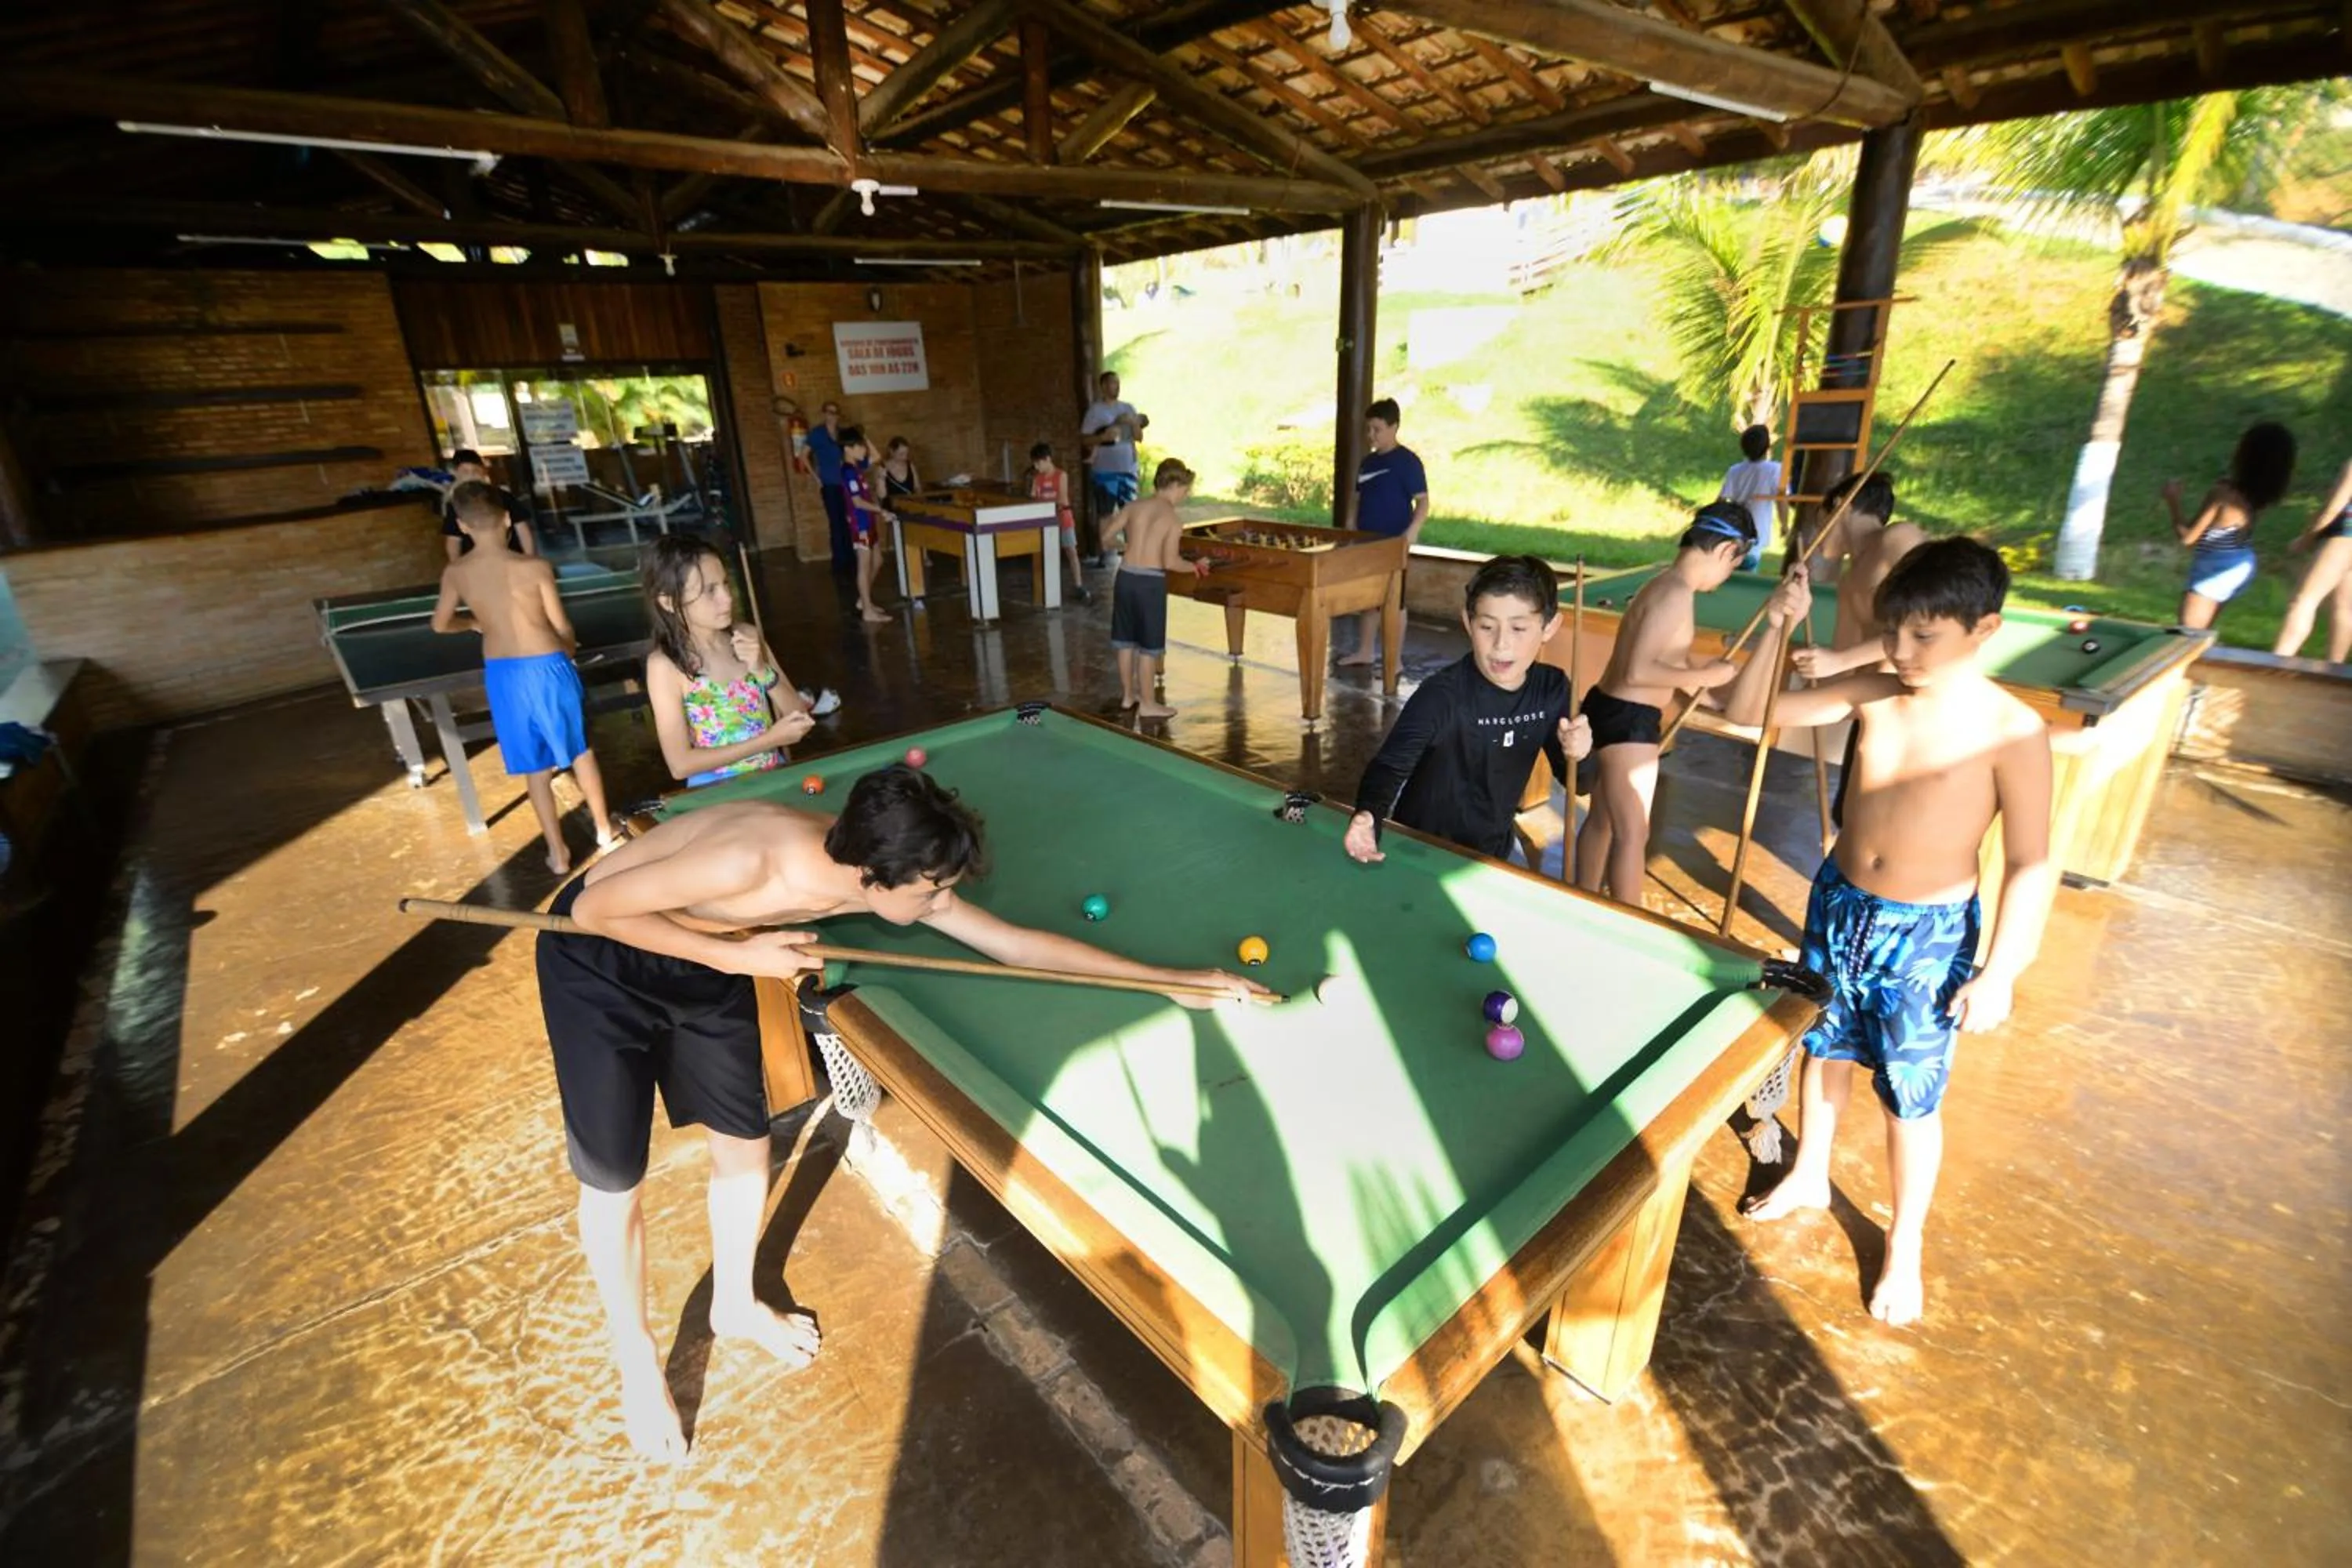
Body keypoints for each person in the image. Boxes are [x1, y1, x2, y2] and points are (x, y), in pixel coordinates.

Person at [541, 763, 1269, 1461]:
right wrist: (738, 958)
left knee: (742, 1144)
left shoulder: (887, 864)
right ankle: (635, 1359)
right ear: (871, 877)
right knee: (616, 1181)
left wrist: (1168, 981)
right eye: (929, 893)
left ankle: (733, 1301)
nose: (938, 903)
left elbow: (1013, 945)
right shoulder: (751, 860)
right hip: (601, 964)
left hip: (711, 958)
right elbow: (591, 909)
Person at [1722, 537, 2054, 1327]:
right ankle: (1810, 1171)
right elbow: (1746, 711)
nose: (1901, 651)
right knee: (1824, 1047)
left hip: (1927, 935)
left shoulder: (2012, 731)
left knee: (1911, 1095)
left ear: (1985, 628)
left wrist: (2001, 970)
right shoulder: (1876, 689)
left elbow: (2032, 861)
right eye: (1893, 631)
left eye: (1924, 636)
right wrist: (1777, 626)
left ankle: (1905, 1243)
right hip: (1839, 903)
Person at [1343, 555, 1592, 866]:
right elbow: (1390, 767)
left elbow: (1580, 782)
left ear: (1549, 627)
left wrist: (1581, 753)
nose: (1501, 644)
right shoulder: (1441, 695)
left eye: (1518, 628)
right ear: (1468, 622)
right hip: (1422, 847)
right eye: (1487, 627)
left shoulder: (1551, 689)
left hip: (1496, 846)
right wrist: (1369, 813)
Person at [1573, 503, 1755, 904]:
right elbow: (1638, 671)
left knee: (1604, 820)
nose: (1728, 576)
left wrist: (1708, 695)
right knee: (1633, 834)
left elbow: (1671, 662)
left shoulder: (1666, 585)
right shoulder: (1674, 594)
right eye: (1734, 565)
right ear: (1726, 550)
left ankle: (1582, 898)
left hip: (1611, 708)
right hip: (1629, 720)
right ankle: (1631, 920)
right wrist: (1707, 676)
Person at [430, 481, 614, 873]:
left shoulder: (457, 573)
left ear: (462, 526)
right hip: (548, 666)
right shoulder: (534, 567)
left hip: (504, 676)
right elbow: (561, 626)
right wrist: (568, 647)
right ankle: (603, 831)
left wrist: (473, 623)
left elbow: (440, 624)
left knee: (535, 767)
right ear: (507, 519)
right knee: (580, 752)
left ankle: (558, 854)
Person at [1782, 470, 1928, 829]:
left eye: (1821, 518)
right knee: (1849, 817)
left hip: (1915, 707)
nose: (1818, 531)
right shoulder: (1849, 581)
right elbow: (1840, 670)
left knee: (1891, 824)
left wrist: (1838, 661)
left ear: (1840, 505)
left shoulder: (1898, 537)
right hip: (1873, 712)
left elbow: (1925, 623)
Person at [641, 535, 817, 786]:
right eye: (710, 590)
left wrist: (762, 670)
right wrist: (769, 741)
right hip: (716, 791)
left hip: (773, 777)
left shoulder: (747, 636)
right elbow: (680, 765)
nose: (728, 598)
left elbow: (799, 717)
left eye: (725, 583)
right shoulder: (666, 665)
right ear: (669, 602)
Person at [1100, 458, 1208, 719]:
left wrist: (1125, 547)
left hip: (1126, 576)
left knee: (1125, 642)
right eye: (1185, 489)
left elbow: (1105, 538)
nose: (1185, 495)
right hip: (1149, 584)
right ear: (1174, 485)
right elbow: (1170, 562)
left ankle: (1128, 696)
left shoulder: (1133, 506)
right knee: (1148, 648)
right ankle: (1148, 704)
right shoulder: (1172, 519)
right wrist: (1195, 566)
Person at [2164, 421, 2297, 631]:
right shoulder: (2258, 497)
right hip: (2240, 561)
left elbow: (2188, 538)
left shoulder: (2224, 495)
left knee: (2188, 635)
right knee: (2201, 632)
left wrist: (2173, 500)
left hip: (2215, 566)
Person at [1340, 397, 1430, 670]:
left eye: (1377, 429)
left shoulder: (1408, 462)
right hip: (1366, 541)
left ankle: (1394, 659)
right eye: (1369, 429)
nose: (1371, 435)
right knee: (1369, 599)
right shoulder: (1367, 462)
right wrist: (1350, 525)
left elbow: (1423, 502)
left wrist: (1412, 532)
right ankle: (1365, 651)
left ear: (1394, 427)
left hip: (1394, 543)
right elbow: (1357, 498)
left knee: (1394, 601)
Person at [2273, 455, 2352, 664]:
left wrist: (2306, 540)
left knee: (2303, 601)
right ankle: (2335, 671)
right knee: (2344, 609)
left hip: (2346, 537)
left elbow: (2332, 510)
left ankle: (2277, 663)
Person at [1080, 371, 1148, 561]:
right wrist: (1102, 437)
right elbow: (1084, 440)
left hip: (1128, 470)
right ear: (1103, 386)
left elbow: (1139, 437)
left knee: (1130, 512)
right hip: (1104, 472)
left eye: (1118, 383)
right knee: (1106, 513)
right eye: (1112, 383)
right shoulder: (1095, 411)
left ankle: (1134, 553)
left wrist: (1133, 423)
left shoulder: (1128, 408)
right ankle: (1107, 548)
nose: (1116, 387)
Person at [440, 448, 536, 562]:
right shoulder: (455, 503)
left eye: (476, 470)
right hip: (474, 563)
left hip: (511, 558)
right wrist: (456, 565)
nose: (471, 475)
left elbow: (522, 529)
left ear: (483, 471)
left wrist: (529, 558)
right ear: (456, 473)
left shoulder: (503, 497)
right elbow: (453, 540)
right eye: (465, 471)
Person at [838, 426, 893, 625]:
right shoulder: (848, 471)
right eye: (860, 446)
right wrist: (880, 510)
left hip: (868, 521)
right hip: (860, 524)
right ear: (848, 449)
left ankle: (864, 599)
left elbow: (876, 456)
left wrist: (863, 435)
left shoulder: (856, 468)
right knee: (864, 565)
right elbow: (857, 502)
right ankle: (867, 611)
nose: (864, 449)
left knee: (877, 560)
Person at [1717, 423, 1785, 572]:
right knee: (1748, 568)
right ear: (1767, 447)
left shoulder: (1735, 471)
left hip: (1733, 530)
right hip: (1756, 532)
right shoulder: (1775, 470)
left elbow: (1721, 501)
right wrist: (1784, 525)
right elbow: (1782, 500)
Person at [1030, 440, 1090, 605]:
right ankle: (1047, 586)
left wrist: (1046, 504)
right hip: (1046, 521)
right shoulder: (1037, 478)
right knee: (1047, 553)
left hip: (1063, 518)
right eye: (1035, 464)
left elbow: (1062, 498)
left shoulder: (1061, 475)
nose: (1036, 467)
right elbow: (1033, 498)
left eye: (1038, 463)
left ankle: (1079, 585)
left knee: (1071, 551)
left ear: (1047, 459)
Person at [805, 401, 852, 578]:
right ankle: (839, 561)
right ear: (824, 414)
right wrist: (816, 477)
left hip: (845, 483)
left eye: (835, 413)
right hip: (829, 483)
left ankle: (850, 557)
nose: (833, 416)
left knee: (847, 521)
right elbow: (803, 455)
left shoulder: (841, 433)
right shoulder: (818, 434)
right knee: (836, 522)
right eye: (830, 412)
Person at [878, 436, 923, 505]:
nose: (905, 457)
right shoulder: (882, 468)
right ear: (891, 451)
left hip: (911, 506)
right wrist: (881, 478)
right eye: (901, 454)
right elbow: (880, 495)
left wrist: (920, 499)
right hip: (891, 507)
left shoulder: (910, 465)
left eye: (906, 454)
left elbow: (917, 487)